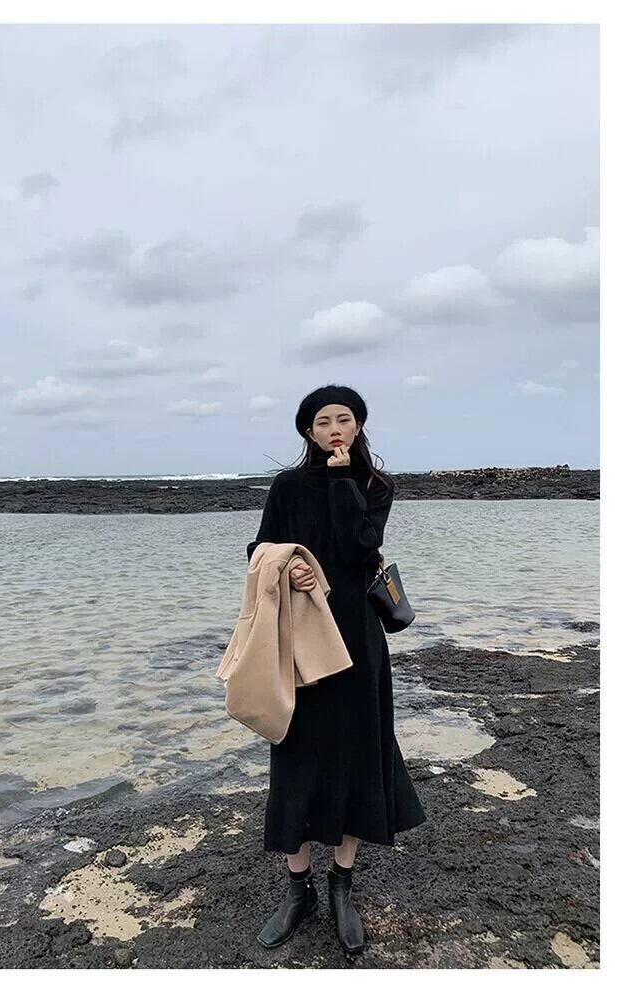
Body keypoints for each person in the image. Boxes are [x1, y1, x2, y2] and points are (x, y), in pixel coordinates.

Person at [249, 384, 427, 955]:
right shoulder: (286, 486)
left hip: (357, 638)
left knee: (357, 755)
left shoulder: (374, 486)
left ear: (357, 426)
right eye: (322, 421)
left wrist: (343, 479)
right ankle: (297, 889)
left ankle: (341, 886)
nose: (333, 429)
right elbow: (259, 550)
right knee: (297, 755)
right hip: (300, 637)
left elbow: (360, 550)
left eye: (343, 419)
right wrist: (288, 567)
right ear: (308, 430)